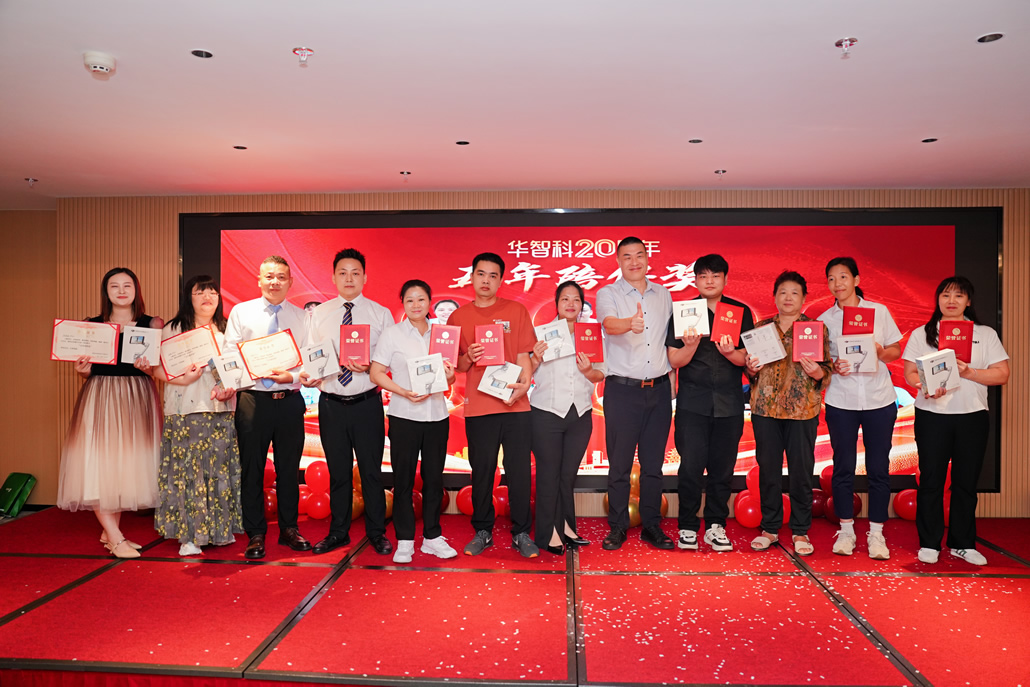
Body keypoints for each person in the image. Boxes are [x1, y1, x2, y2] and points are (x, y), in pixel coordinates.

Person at [902, 276, 1009, 566]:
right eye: (945, 295)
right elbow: (909, 374)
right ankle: (929, 543)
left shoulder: (985, 334)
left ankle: (962, 543)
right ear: (937, 299)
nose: (951, 301)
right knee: (931, 481)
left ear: (968, 301)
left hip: (972, 417)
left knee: (966, 483)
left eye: (959, 296)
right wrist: (924, 385)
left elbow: (1002, 374)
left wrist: (970, 372)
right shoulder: (922, 334)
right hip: (931, 416)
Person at [57, 268, 163, 559]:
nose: (121, 291)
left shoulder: (152, 324)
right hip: (101, 396)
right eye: (114, 286)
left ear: (136, 290)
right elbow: (88, 371)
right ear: (106, 292)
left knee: (124, 465)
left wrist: (150, 369)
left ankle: (108, 531)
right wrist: (82, 371)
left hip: (137, 398)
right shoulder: (91, 326)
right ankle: (115, 537)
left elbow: (158, 368)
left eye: (127, 285)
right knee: (100, 464)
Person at [303, 249, 395, 556]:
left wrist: (370, 367)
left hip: (367, 403)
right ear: (333, 277)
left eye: (355, 272)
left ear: (365, 277)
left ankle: (376, 532)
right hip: (331, 403)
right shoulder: (319, 314)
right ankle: (338, 532)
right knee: (339, 472)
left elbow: (390, 359)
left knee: (371, 472)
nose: (349, 278)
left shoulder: (380, 314)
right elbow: (311, 354)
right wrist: (310, 375)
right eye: (342, 273)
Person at [450, 252, 538, 558]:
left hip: (515, 404)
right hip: (479, 408)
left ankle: (521, 533)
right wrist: (468, 357)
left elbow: (525, 356)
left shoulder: (516, 310)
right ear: (472, 277)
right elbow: (457, 366)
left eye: (492, 275)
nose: (486, 280)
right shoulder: (458, 317)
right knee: (482, 472)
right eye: (481, 274)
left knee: (519, 472)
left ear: (500, 280)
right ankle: (483, 531)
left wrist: (524, 385)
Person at [666, 254, 754, 552]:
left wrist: (730, 353)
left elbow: (747, 359)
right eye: (703, 276)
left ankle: (716, 526)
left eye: (715, 275)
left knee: (722, 469)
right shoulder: (684, 312)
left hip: (729, 404)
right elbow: (674, 360)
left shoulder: (739, 312)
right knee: (690, 468)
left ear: (725, 279)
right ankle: (688, 526)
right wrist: (690, 346)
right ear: (695, 280)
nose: (709, 281)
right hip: (693, 404)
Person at [224, 256, 311, 559]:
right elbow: (229, 356)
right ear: (259, 280)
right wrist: (249, 373)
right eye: (269, 276)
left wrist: (292, 377)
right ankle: (256, 533)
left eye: (281, 277)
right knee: (252, 469)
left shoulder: (303, 317)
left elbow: (310, 361)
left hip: (289, 401)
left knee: (289, 469)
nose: (275, 282)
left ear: (290, 282)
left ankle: (289, 529)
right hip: (253, 401)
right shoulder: (241, 312)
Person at [818, 257, 902, 560]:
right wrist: (833, 366)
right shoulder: (824, 320)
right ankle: (846, 530)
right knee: (843, 467)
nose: (837, 283)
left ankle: (877, 533)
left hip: (879, 400)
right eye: (831, 278)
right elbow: (821, 361)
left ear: (856, 279)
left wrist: (880, 352)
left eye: (843, 276)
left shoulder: (879, 312)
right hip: (842, 401)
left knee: (879, 468)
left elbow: (895, 349)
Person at [369, 280, 458, 563]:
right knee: (404, 481)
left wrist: (450, 376)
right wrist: (402, 391)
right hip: (404, 416)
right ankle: (405, 540)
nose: (416, 305)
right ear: (403, 304)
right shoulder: (392, 334)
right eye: (410, 300)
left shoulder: (444, 334)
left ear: (430, 302)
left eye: (421, 299)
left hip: (436, 416)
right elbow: (376, 373)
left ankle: (432, 537)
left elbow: (450, 376)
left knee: (433, 479)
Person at [595, 237, 674, 550]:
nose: (634, 262)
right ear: (618, 261)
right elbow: (609, 324)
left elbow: (672, 339)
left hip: (659, 390)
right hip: (622, 391)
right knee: (620, 465)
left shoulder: (664, 295)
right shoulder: (608, 293)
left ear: (647, 259)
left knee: (654, 465)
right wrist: (630, 323)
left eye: (639, 255)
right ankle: (617, 526)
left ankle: (652, 525)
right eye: (626, 256)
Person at [746, 271, 832, 556]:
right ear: (774, 296)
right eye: (782, 292)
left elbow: (827, 370)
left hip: (802, 411)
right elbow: (750, 371)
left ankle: (800, 530)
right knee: (768, 471)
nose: (788, 298)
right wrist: (750, 369)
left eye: (794, 293)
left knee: (801, 472)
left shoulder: (815, 329)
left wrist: (817, 371)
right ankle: (770, 528)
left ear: (804, 298)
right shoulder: (761, 329)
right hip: (765, 410)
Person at [155, 276, 242, 556]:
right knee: (189, 472)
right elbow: (157, 369)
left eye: (213, 292)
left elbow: (236, 369)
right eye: (200, 292)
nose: (207, 297)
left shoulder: (227, 329)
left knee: (218, 471)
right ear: (188, 297)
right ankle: (190, 535)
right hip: (185, 410)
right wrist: (184, 379)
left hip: (220, 411)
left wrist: (231, 387)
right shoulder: (174, 329)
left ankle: (219, 531)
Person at [530, 281, 605, 555]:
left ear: (582, 305)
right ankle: (547, 533)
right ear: (557, 303)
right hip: (546, 412)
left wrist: (588, 371)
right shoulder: (541, 334)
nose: (571, 304)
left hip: (580, 413)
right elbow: (526, 371)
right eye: (565, 299)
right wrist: (535, 358)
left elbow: (600, 373)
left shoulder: (591, 334)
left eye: (576, 299)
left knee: (567, 474)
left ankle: (566, 527)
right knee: (548, 473)